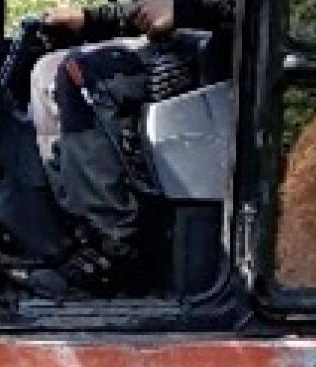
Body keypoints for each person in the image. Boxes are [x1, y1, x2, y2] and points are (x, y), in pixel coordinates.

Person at [23, 0, 236, 284]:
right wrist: (90, 19)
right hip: (178, 38)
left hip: (226, 48)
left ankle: (114, 244)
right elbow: (150, 10)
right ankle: (79, 225)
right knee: (46, 70)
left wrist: (186, 10)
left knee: (81, 74)